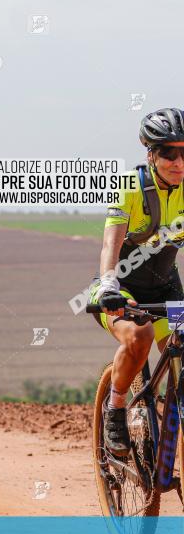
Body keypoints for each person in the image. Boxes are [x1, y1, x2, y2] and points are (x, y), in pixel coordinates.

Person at [92, 107, 184, 457]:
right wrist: (108, 287)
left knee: (182, 345)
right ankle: (115, 409)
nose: (178, 162)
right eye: (168, 152)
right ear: (150, 154)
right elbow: (110, 245)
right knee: (140, 335)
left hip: (167, 290)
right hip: (123, 290)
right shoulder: (131, 187)